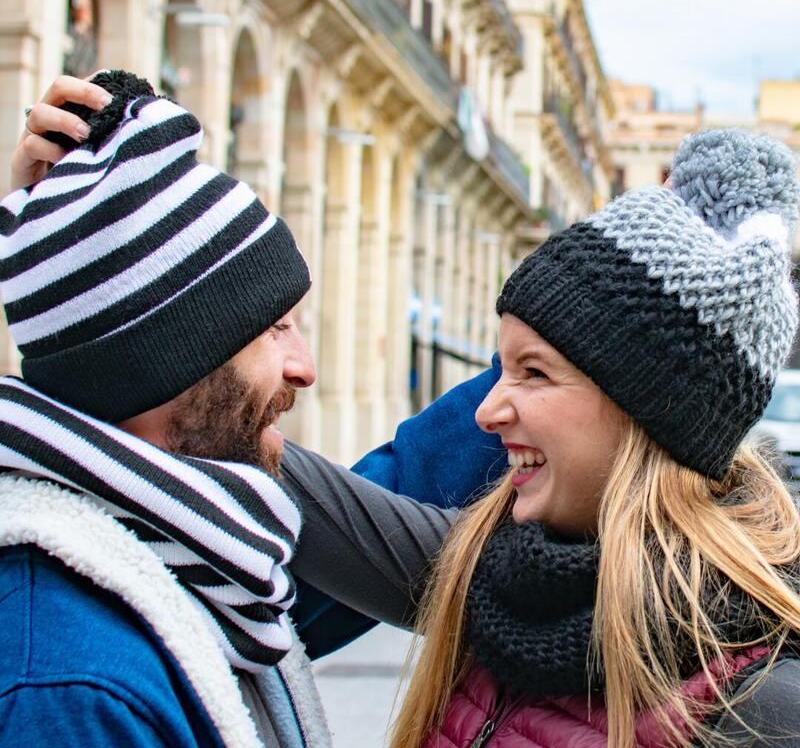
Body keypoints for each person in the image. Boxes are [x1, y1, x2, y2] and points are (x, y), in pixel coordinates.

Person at [0, 70, 506, 746]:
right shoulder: (69, 693)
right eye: (275, 328)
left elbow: (367, 522)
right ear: (164, 360)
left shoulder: (201, 542)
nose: (306, 366)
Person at [266, 128, 800, 747]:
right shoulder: (502, 576)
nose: (487, 412)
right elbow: (321, 504)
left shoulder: (764, 710)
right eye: (502, 367)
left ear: (650, 409)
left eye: (534, 371)